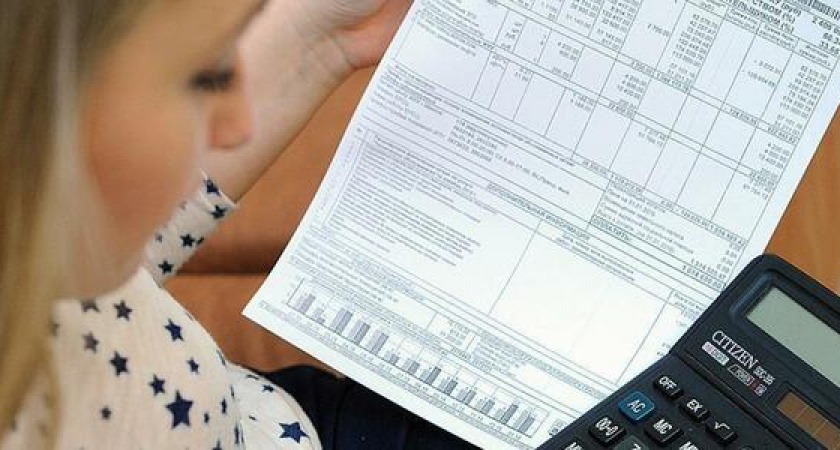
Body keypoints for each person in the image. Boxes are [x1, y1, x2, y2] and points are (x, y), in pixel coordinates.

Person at [0, 0, 478, 448]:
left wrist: (320, 41)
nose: (238, 126)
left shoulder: (50, 239)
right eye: (204, 78)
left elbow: (85, 236)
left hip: (268, 419)